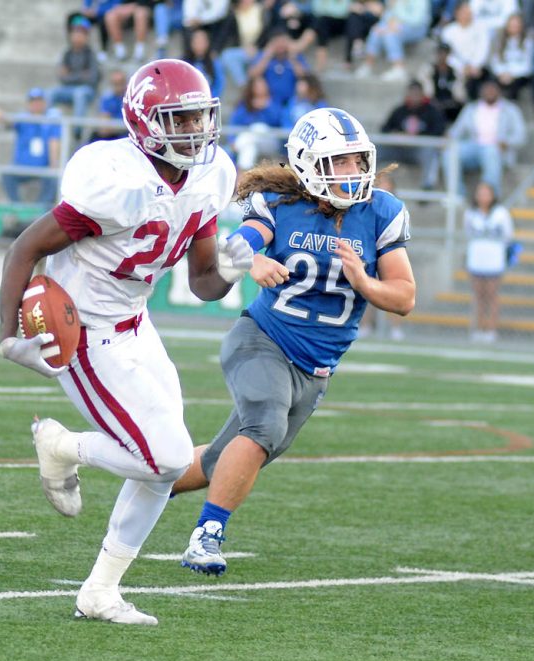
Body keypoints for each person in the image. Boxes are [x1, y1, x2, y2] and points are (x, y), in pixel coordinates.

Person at [0, 59, 251, 624]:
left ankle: (99, 591)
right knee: (163, 456)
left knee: (166, 458)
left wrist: (230, 275)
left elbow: (202, 282)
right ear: (144, 121)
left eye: (198, 118)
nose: (193, 131)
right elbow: (24, 249)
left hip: (136, 321)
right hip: (80, 328)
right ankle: (62, 446)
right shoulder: (116, 180)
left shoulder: (209, 175)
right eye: (178, 120)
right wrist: (8, 335)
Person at [172, 107, 416, 575]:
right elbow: (236, 243)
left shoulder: (382, 211)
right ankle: (206, 537)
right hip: (263, 339)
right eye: (338, 162)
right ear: (307, 163)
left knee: (224, 459)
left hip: (316, 368)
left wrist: (365, 283)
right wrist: (252, 262)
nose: (352, 173)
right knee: (261, 429)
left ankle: (142, 481)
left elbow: (404, 297)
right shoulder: (280, 204)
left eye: (356, 161)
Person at [442, 77, 526, 197]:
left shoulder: (511, 110)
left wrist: (506, 142)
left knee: (491, 152)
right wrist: (448, 137)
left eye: (493, 89)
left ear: (499, 91)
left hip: (497, 149)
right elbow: (456, 131)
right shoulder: (471, 109)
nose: (489, 92)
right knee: (450, 152)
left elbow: (520, 136)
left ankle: (490, 198)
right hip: (474, 146)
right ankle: (456, 196)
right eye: (487, 89)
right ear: (481, 91)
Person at [357, 171, 409, 340]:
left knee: (394, 288)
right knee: (366, 289)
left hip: (388, 253)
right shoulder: (365, 207)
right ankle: (365, 325)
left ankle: (395, 328)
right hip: (369, 253)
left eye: (387, 184)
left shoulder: (394, 208)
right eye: (381, 183)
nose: (384, 187)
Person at [0, 88, 61, 209]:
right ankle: (18, 208)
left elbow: (54, 142)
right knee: (7, 175)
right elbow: (10, 122)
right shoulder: (23, 118)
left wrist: (53, 164)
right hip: (22, 167)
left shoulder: (51, 120)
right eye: (33, 101)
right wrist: (2, 117)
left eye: (39, 101)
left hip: (43, 168)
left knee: (54, 178)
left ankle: (40, 211)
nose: (36, 104)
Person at [463, 181, 514, 343]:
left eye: (487, 193)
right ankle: (479, 328)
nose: (483, 196)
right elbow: (468, 233)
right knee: (478, 296)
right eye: (480, 193)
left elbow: (508, 235)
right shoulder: (471, 213)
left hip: (494, 260)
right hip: (476, 259)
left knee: (492, 296)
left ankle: (491, 330)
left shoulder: (501, 213)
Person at [378, 80, 446, 191]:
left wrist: (418, 137)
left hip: (419, 151)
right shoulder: (400, 110)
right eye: (412, 93)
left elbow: (438, 130)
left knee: (431, 151)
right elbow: (384, 129)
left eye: (417, 94)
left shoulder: (432, 111)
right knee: (378, 148)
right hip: (398, 149)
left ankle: (427, 186)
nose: (414, 97)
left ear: (422, 94)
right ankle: (368, 180)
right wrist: (395, 134)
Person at [47, 15, 100, 138]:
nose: (77, 36)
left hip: (87, 90)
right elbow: (62, 77)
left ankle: (77, 130)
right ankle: (45, 125)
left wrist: (71, 75)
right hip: (69, 89)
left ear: (86, 36)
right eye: (75, 32)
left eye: (81, 33)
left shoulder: (91, 54)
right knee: (51, 93)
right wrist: (81, 75)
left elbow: (92, 78)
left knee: (80, 94)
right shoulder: (67, 53)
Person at [353, 0, 431, 81]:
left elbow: (416, 20)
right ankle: (368, 65)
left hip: (416, 28)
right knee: (376, 31)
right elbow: (387, 18)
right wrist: (385, 19)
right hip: (395, 24)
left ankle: (399, 69)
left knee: (390, 34)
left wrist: (396, 19)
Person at [86, 68, 129, 142]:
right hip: (113, 135)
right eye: (115, 83)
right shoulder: (107, 98)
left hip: (127, 135)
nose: (119, 86)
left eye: (121, 83)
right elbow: (104, 128)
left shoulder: (131, 98)